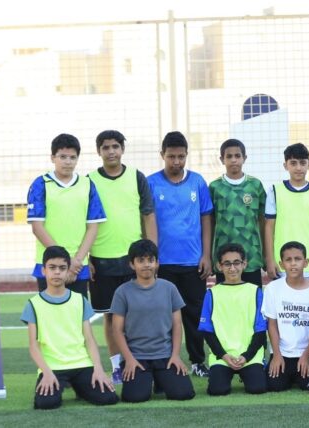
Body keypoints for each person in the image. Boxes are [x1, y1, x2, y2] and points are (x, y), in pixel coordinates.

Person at [87, 130, 157, 383]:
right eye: (105, 147)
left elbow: (148, 215)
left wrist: (152, 254)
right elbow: (84, 221)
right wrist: (86, 258)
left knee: (137, 314)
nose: (111, 151)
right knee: (110, 316)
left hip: (133, 261)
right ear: (99, 151)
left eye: (115, 146)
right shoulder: (89, 181)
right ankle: (117, 366)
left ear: (123, 149)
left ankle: (138, 361)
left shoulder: (137, 177)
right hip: (102, 260)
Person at [148, 131, 214, 378]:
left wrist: (206, 255)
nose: (176, 162)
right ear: (162, 155)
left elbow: (206, 218)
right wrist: (153, 258)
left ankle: (198, 361)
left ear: (187, 155)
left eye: (181, 157)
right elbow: (147, 221)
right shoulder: (151, 183)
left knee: (194, 314)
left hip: (192, 262)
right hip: (163, 263)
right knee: (164, 315)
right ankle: (165, 360)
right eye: (171, 157)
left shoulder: (197, 182)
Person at [23, 245, 118, 410]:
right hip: (53, 367)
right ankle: (68, 385)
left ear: (68, 271)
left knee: (108, 398)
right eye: (52, 267)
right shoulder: (33, 304)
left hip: (82, 364)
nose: (57, 272)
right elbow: (33, 345)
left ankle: (81, 387)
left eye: (62, 268)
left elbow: (89, 339)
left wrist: (98, 368)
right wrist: (46, 372)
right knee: (46, 403)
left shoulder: (79, 300)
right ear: (44, 271)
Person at [110, 239, 195, 402]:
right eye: (141, 260)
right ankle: (150, 378)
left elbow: (177, 325)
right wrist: (129, 359)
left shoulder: (169, 288)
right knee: (135, 397)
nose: (146, 265)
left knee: (183, 394)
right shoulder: (122, 292)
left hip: (165, 355)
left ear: (157, 263)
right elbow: (117, 330)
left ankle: (160, 379)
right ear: (132, 264)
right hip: (137, 356)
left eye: (150, 260)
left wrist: (175, 355)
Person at [26, 133, 106, 295]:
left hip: (78, 266)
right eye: (62, 157)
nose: (68, 162)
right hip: (49, 264)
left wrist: (76, 261)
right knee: (48, 310)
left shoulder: (87, 184)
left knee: (78, 310)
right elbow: (37, 227)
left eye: (72, 157)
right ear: (52, 158)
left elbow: (93, 227)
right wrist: (65, 262)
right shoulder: (41, 184)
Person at [199, 243, 268, 396]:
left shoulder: (255, 291)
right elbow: (207, 331)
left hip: (249, 356)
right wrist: (223, 355)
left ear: (244, 264)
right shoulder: (212, 294)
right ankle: (223, 372)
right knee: (217, 390)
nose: (232, 268)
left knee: (257, 388)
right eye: (227, 264)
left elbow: (261, 330)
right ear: (219, 266)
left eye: (236, 263)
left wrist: (247, 356)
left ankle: (249, 372)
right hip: (223, 356)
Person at [262, 241, 309, 392]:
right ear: (281, 264)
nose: (293, 263)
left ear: (306, 262)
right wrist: (276, 355)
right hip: (283, 352)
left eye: (298, 259)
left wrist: (307, 355)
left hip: (308, 352)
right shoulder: (272, 288)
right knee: (275, 386)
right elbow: (272, 324)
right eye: (288, 260)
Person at [265, 143, 309, 281]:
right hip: (283, 263)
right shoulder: (274, 191)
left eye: (302, 163)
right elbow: (269, 227)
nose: (298, 168)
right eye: (293, 163)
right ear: (285, 165)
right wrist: (270, 259)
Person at [210, 138, 267, 286]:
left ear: (244, 158)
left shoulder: (255, 185)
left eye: (237, 156)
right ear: (222, 159)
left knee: (253, 296)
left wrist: (266, 254)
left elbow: (263, 221)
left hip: (251, 255)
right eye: (229, 156)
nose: (234, 160)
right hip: (224, 258)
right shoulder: (215, 187)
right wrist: (210, 257)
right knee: (225, 297)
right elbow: (209, 223)